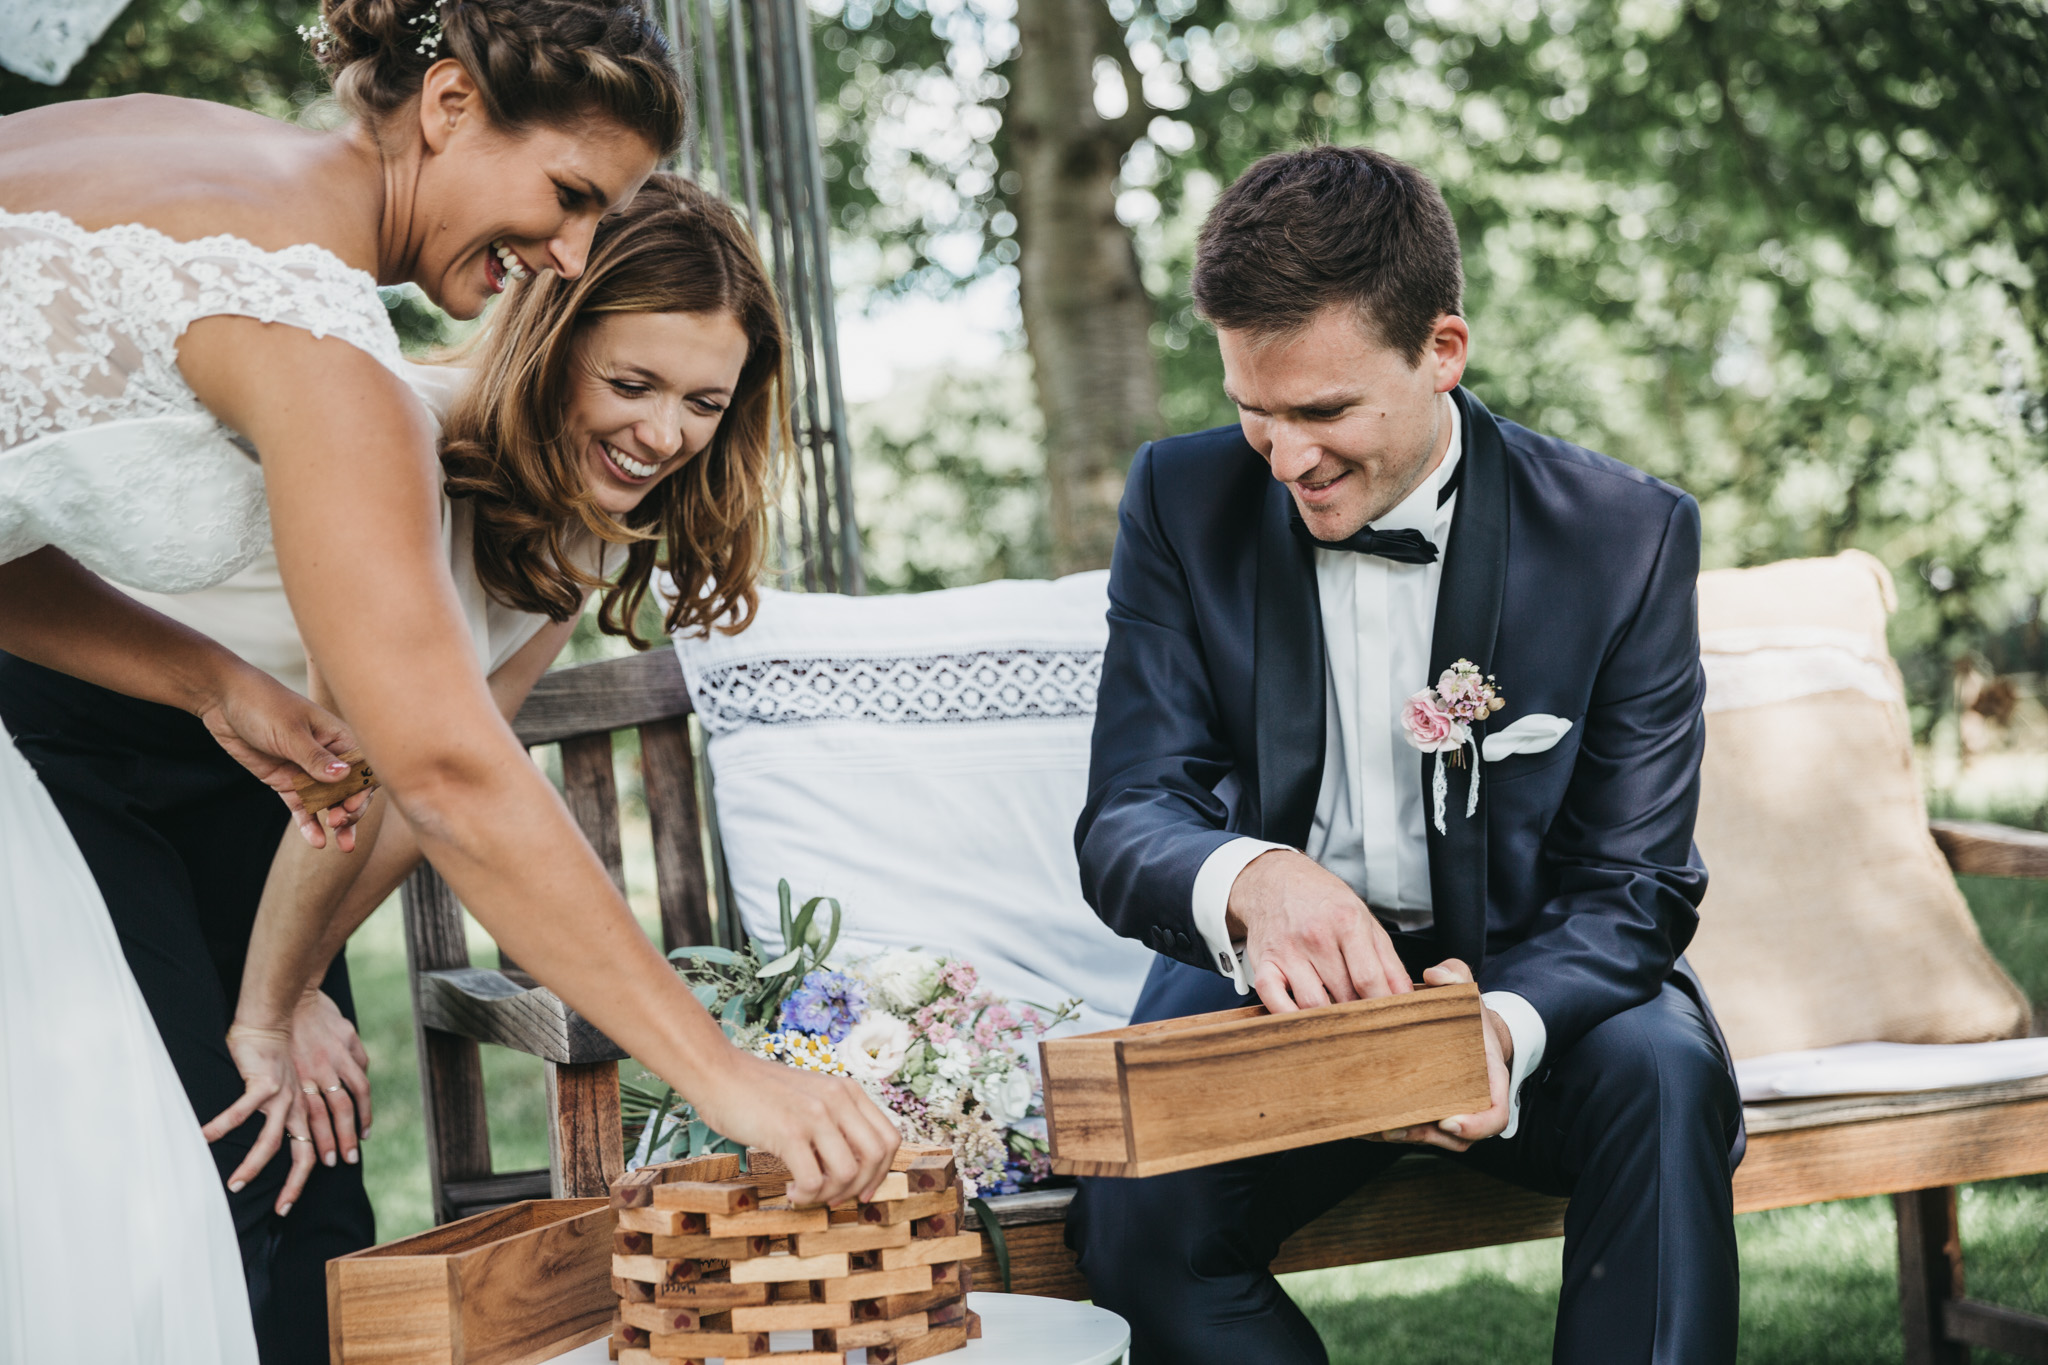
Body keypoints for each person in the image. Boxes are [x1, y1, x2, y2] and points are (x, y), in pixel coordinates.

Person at [0, 4, 897, 1362]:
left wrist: (206, 682)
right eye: (572, 195)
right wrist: (724, 1077)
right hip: (60, 769)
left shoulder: (191, 160)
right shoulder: (330, 353)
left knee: (273, 1186)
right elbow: (447, 767)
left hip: (239, 773)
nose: (572, 251)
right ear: (451, 105)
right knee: (153, 1195)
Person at [1066, 145, 1744, 1364]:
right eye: (1250, 411)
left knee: (1663, 1079)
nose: (1283, 460)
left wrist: (1494, 1026)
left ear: (1441, 350)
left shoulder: (1624, 538)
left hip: (1535, 978)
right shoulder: (1177, 499)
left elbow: (1636, 885)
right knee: (1132, 1225)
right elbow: (1126, 816)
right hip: (1263, 996)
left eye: (1321, 412)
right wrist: (1253, 883)